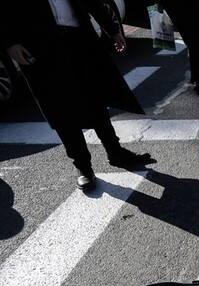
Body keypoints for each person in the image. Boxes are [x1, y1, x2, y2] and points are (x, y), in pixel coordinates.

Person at [1, 0, 151, 192]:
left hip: (78, 36)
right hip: (38, 45)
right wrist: (9, 43)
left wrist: (111, 29)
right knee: (59, 106)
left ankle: (115, 151)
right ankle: (83, 166)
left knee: (95, 95)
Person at [155, 0, 199, 94]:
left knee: (196, 41)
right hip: (175, 8)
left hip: (193, 6)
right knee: (191, 42)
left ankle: (197, 79)